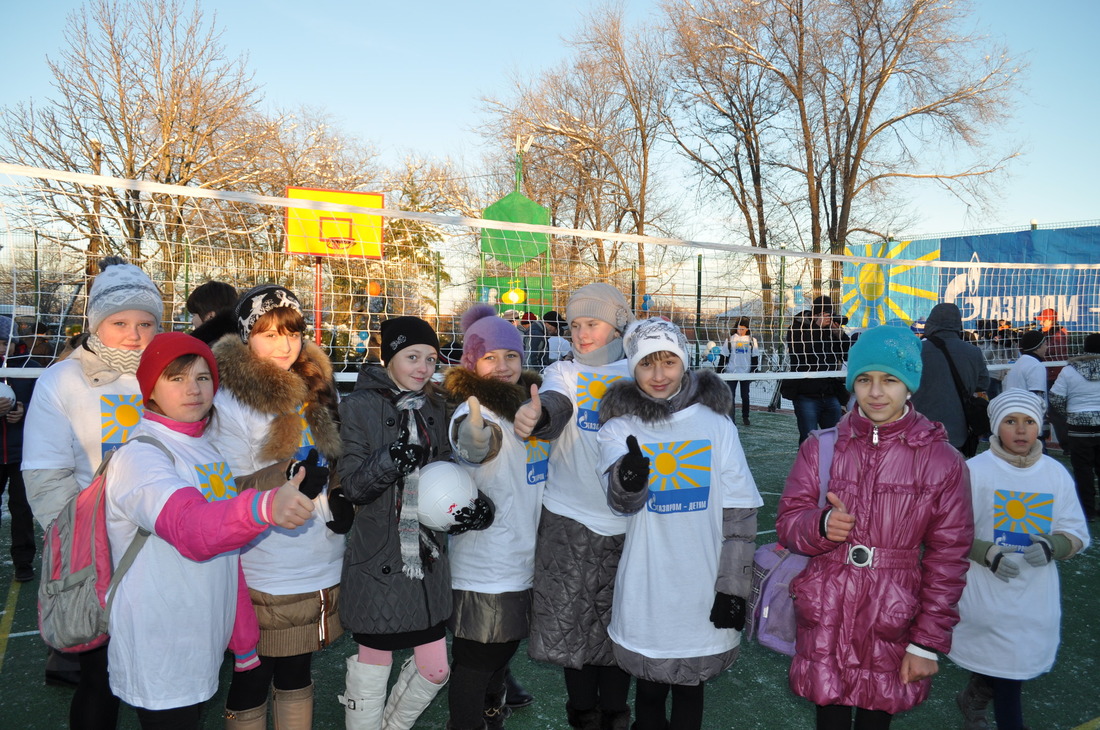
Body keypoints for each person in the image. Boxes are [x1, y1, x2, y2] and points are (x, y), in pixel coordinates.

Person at [103, 333, 316, 729]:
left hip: (199, 632)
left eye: (203, 378)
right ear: (150, 387)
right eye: (176, 378)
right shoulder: (141, 456)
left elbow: (226, 551)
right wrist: (265, 505)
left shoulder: (203, 447)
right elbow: (191, 529)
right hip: (160, 638)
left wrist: (243, 641)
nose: (193, 389)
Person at [776, 325, 973, 730]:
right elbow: (788, 522)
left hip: (892, 615)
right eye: (864, 379)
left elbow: (948, 559)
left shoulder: (943, 461)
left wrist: (926, 643)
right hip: (827, 610)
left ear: (910, 385)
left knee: (874, 719)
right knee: (827, 715)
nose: (876, 392)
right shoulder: (822, 446)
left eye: (890, 380)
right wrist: (821, 524)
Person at [597, 318, 761, 730]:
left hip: (702, 584)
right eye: (647, 364)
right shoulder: (619, 427)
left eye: (668, 362)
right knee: (649, 690)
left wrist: (733, 587)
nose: (657, 375)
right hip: (647, 586)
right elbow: (621, 502)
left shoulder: (716, 425)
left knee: (692, 688)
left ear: (684, 364)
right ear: (631, 367)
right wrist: (629, 478)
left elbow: (739, 515)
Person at [23, 256, 164, 727]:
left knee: (161, 683)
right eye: (120, 321)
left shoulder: (174, 374)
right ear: (95, 322)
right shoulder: (61, 381)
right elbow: (46, 476)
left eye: (146, 322)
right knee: (98, 681)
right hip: (97, 559)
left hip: (164, 552)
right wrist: (82, 548)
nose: (134, 333)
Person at [337, 316, 492, 730]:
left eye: (430, 358)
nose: (423, 367)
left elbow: (449, 478)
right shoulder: (357, 406)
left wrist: (473, 508)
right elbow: (352, 486)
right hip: (379, 561)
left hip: (428, 564)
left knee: (436, 670)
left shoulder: (437, 406)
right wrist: (391, 459)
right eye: (412, 357)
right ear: (389, 357)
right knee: (373, 671)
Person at [210, 285, 347, 730]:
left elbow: (332, 461)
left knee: (297, 672)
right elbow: (223, 489)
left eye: (291, 332)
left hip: (319, 555)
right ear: (247, 336)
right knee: (253, 673)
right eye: (268, 334)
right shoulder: (229, 400)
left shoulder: (315, 385)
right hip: (267, 563)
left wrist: (342, 501)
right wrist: (287, 477)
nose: (284, 345)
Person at [513, 282, 635, 730]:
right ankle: (582, 716)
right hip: (569, 520)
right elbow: (555, 405)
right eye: (576, 325)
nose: (582, 334)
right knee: (570, 628)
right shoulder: (565, 371)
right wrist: (537, 416)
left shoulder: (641, 371)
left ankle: (616, 716)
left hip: (630, 524)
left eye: (593, 324)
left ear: (618, 325)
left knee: (619, 629)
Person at [949, 389, 1090, 730]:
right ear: (997, 427)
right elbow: (949, 528)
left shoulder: (1055, 474)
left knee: (1015, 658)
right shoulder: (974, 470)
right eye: (1011, 421)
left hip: (1033, 593)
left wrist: (1053, 545)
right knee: (1005, 661)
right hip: (986, 589)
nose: (1022, 430)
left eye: (1029, 422)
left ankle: (979, 691)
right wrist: (986, 552)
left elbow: (1076, 530)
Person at [443, 305, 546, 729]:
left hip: (522, 557)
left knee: (501, 653)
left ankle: (492, 714)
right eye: (490, 357)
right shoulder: (475, 412)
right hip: (485, 565)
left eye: (511, 356)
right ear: (472, 362)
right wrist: (475, 436)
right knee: (476, 660)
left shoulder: (528, 408)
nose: (502, 366)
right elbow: (472, 443)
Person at [910, 303, 990, 454]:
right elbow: (983, 384)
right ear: (958, 324)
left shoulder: (916, 351)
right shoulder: (973, 353)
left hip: (918, 430)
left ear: (931, 323)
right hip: (956, 432)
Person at [0, 317, 40, 583]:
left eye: (5, 343)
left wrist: (24, 410)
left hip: (22, 454)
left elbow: (47, 406)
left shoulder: (32, 369)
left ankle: (23, 562)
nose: (2, 349)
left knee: (22, 509)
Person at [784, 296, 850, 443]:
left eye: (830, 314)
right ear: (816, 314)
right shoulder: (798, 327)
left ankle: (831, 466)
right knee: (808, 439)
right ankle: (807, 466)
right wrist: (817, 328)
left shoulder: (830, 331)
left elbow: (846, 355)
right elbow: (799, 352)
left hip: (830, 392)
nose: (828, 318)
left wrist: (839, 335)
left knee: (834, 438)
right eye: (825, 314)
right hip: (806, 392)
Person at [1050, 333, 1100, 521]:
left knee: (1083, 470)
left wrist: (1070, 413)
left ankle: (1088, 511)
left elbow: (1055, 397)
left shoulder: (1070, 370)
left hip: (1079, 428)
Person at [724, 317, 759, 426]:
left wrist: (753, 370)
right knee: (730, 395)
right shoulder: (730, 339)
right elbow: (724, 356)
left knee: (745, 396)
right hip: (731, 372)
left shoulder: (752, 341)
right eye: (739, 328)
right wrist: (719, 371)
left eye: (743, 329)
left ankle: (745, 417)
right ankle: (730, 418)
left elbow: (755, 357)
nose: (741, 331)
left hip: (745, 372)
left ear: (747, 329)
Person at [186, 280, 239, 345]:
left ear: (210, 316)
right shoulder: (247, 340)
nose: (192, 321)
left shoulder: (203, 350)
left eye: (193, 315)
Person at [1003, 331, 1048, 401]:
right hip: (1027, 409)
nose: (1046, 347)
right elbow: (1037, 397)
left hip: (1013, 406)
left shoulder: (1019, 363)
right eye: (1045, 344)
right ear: (1038, 347)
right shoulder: (1036, 366)